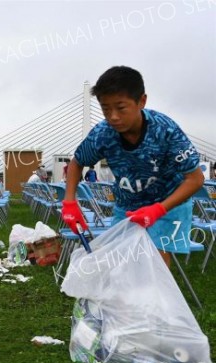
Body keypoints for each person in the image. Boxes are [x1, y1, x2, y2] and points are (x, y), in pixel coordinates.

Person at [61, 66, 204, 266]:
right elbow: (76, 164)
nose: (113, 117)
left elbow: (195, 179)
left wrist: (158, 210)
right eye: (105, 109)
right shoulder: (102, 134)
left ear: (142, 101)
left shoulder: (166, 131)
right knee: (121, 264)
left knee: (153, 264)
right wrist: (69, 202)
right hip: (127, 206)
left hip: (169, 204)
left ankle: (152, 297)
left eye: (120, 108)